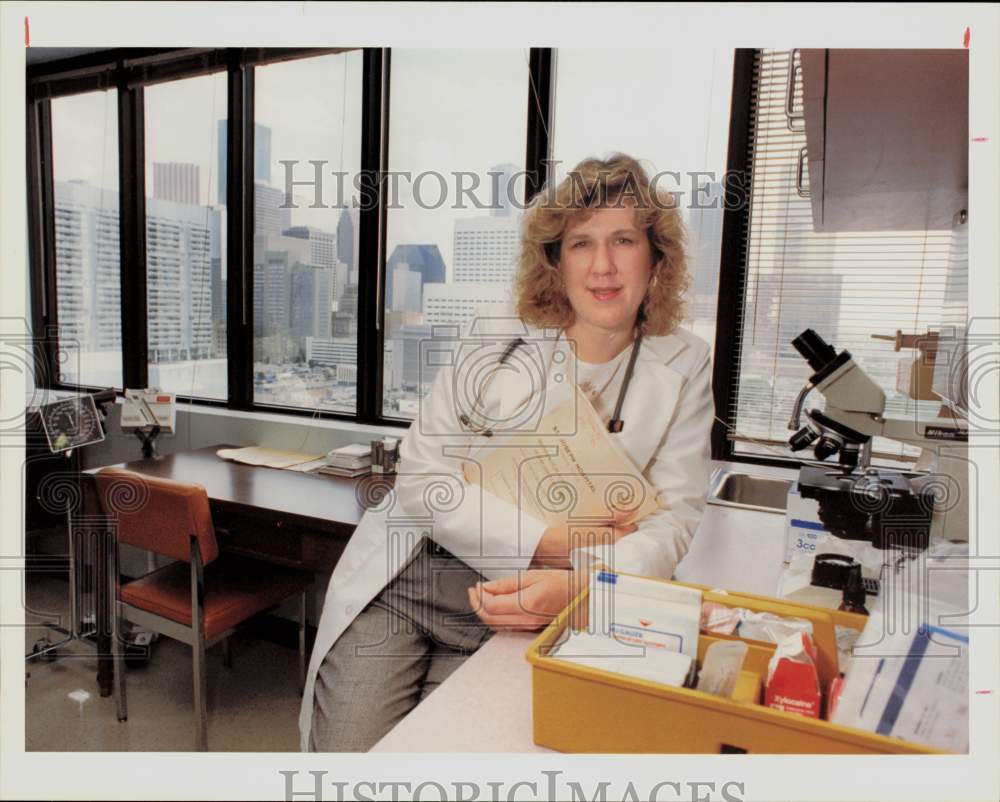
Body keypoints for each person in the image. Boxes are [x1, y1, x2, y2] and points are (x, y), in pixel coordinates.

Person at [300, 153, 715, 751]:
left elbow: (673, 520)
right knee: (349, 762)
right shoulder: (497, 333)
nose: (603, 266)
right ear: (556, 259)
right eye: (581, 244)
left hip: (531, 603)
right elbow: (421, 478)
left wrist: (579, 588)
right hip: (410, 579)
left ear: (656, 257)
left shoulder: (684, 360)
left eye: (624, 240)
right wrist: (554, 542)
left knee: (445, 763)